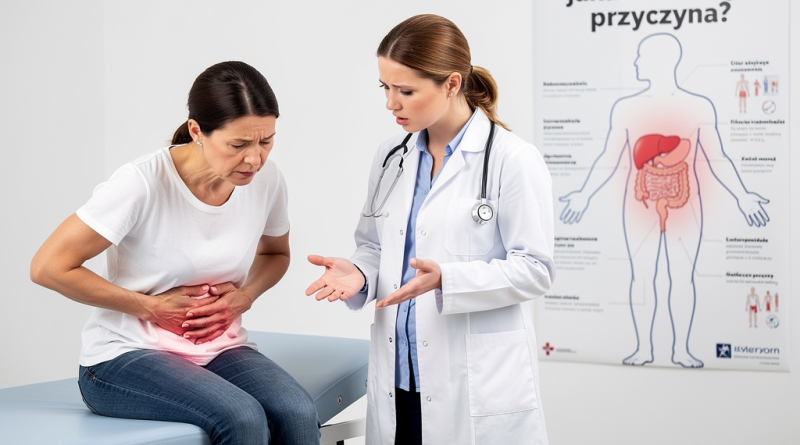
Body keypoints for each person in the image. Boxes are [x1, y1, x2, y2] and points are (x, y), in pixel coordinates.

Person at [30, 61, 319, 445]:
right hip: (124, 356)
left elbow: (276, 254)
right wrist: (150, 307)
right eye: (238, 145)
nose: (255, 159)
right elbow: (48, 267)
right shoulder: (141, 184)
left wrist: (245, 296)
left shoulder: (266, 180)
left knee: (298, 412)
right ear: (197, 131)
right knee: (242, 417)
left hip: (219, 347)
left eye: (266, 141)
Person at [305, 14, 554, 445]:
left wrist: (448, 279)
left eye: (405, 91)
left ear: (452, 84)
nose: (391, 103)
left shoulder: (512, 159)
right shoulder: (392, 157)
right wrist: (359, 273)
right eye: (385, 87)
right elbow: (374, 246)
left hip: (472, 383)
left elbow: (535, 269)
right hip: (399, 378)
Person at [559, 34, 769, 368]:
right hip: (640, 206)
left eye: (641, 56)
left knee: (682, 278)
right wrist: (584, 194)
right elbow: (610, 158)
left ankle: (681, 350)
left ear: (660, 61)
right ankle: (644, 349)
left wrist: (743, 196)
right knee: (641, 277)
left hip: (685, 207)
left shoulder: (698, 106)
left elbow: (717, 158)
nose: (636, 62)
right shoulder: (626, 108)